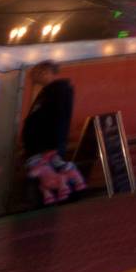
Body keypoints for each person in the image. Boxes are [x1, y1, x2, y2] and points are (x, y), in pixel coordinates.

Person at [19, 63, 83, 206]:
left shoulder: (57, 91)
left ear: (46, 72)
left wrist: (52, 145)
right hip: (41, 146)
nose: (32, 77)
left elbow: (58, 118)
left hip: (45, 148)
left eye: (35, 73)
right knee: (45, 181)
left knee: (49, 180)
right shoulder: (49, 92)